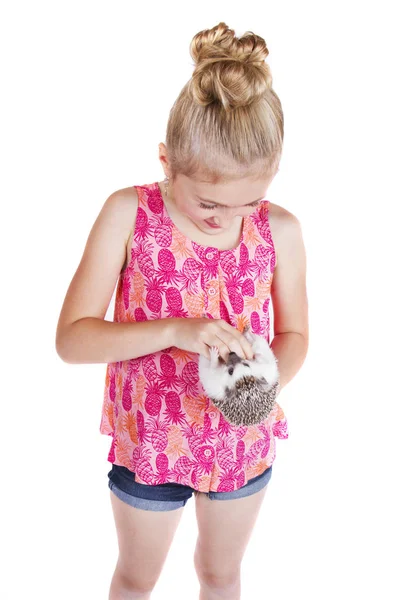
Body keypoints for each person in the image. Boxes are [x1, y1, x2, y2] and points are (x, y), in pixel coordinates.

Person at [56, 21, 308, 600]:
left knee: (221, 575)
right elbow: (72, 340)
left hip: (238, 436)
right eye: (210, 202)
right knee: (136, 577)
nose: (229, 217)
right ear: (167, 161)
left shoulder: (281, 230)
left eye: (250, 200)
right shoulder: (128, 214)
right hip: (151, 434)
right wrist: (176, 329)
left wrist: (259, 387)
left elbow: (295, 333)